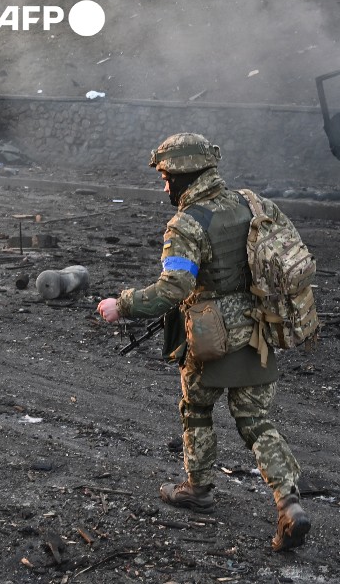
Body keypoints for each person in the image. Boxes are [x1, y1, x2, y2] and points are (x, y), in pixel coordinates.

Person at [96, 132, 310, 551]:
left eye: (166, 177)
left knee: (196, 409)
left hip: (210, 335)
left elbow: (173, 289)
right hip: (257, 328)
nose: (164, 187)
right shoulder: (250, 203)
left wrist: (121, 305)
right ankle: (288, 501)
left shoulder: (186, 224)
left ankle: (198, 488)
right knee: (255, 420)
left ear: (183, 175)